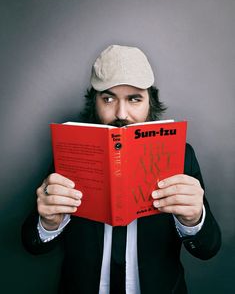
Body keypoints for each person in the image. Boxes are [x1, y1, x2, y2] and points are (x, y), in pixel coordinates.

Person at [22, 45, 221, 294]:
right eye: (108, 98)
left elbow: (208, 248)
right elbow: (32, 244)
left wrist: (194, 220)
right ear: (93, 103)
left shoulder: (182, 155)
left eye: (134, 99)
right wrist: (48, 222)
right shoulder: (70, 152)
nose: (121, 113)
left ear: (151, 103)